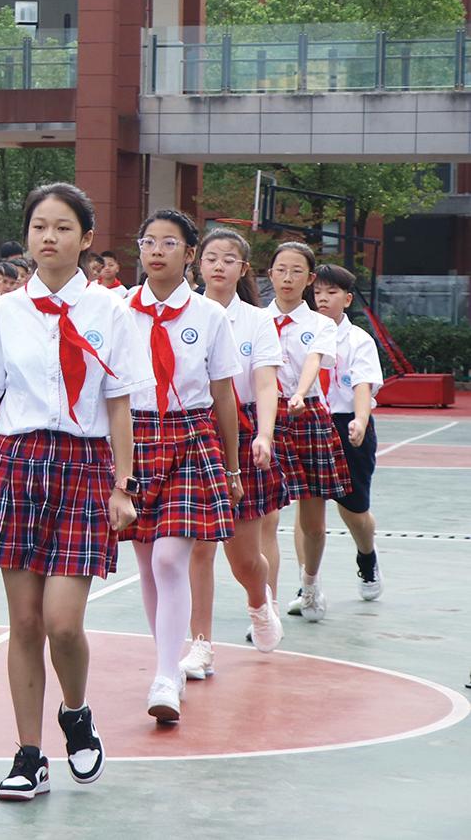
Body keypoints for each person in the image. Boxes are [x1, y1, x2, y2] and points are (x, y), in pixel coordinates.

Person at [0, 183, 150, 801]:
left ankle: (76, 713)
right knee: (25, 622)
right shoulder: (2, 313)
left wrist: (123, 485)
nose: (49, 238)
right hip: (18, 463)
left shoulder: (112, 312)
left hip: (85, 464)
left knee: (63, 624)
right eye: (39, 226)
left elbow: (119, 406)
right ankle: (29, 755)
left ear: (86, 238)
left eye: (63, 227)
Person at [120, 211, 239, 723]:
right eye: (148, 241)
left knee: (170, 560)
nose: (156, 250)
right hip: (133, 436)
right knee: (148, 561)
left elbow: (223, 395)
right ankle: (167, 663)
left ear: (189, 254)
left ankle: (166, 678)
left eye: (169, 243)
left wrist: (232, 469)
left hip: (191, 436)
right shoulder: (118, 310)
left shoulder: (210, 316)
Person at [182, 228, 285, 681]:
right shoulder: (184, 312)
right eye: (211, 258)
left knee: (243, 559)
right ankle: (200, 645)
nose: (219, 266)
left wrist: (264, 434)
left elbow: (265, 382)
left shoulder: (257, 321)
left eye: (229, 259)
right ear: (198, 264)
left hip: (241, 430)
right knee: (199, 547)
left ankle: (259, 602)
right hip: (192, 431)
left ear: (243, 269)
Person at [264, 243, 349, 623]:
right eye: (281, 269)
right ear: (269, 274)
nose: (288, 278)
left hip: (308, 415)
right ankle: (264, 606)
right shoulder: (254, 320)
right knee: (265, 517)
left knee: (312, 524)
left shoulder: (320, 324)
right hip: (264, 416)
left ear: (310, 278)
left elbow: (314, 359)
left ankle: (310, 584)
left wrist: (299, 393)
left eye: (297, 271)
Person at [310, 264, 385, 605]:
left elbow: (362, 385)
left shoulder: (358, 340)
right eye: (317, 292)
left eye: (332, 292)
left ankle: (367, 558)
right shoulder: (303, 333)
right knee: (309, 514)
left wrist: (360, 420)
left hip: (347, 425)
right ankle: (308, 584)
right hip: (309, 424)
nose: (323, 299)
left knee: (354, 512)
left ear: (348, 298)